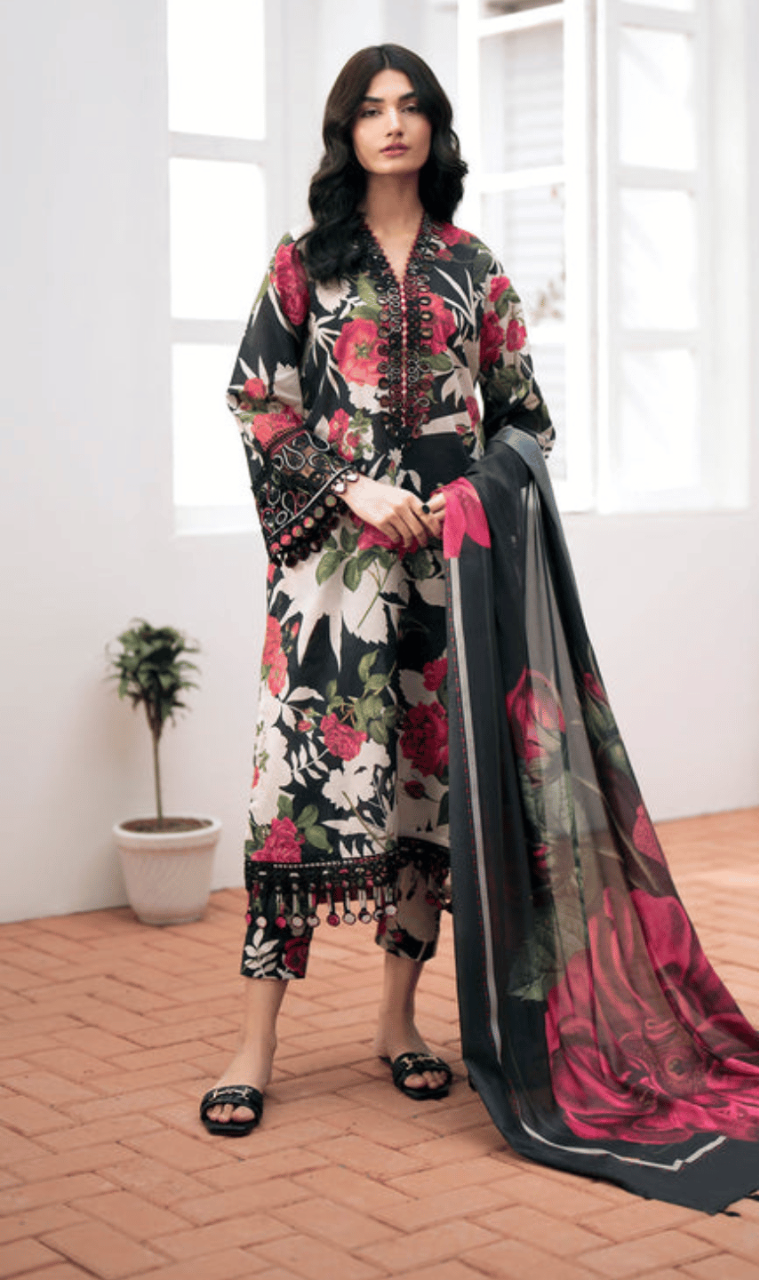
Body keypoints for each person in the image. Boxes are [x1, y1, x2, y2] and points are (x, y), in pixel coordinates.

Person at [200, 43, 553, 1136]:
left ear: (434, 128)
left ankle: (399, 1021)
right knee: (289, 806)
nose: (391, 124)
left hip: (444, 579)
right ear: (345, 131)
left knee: (426, 801)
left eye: (410, 108)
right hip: (328, 582)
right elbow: (259, 401)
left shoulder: (475, 267)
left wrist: (464, 499)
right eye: (370, 108)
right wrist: (351, 489)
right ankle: (254, 1040)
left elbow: (525, 423)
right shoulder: (303, 265)